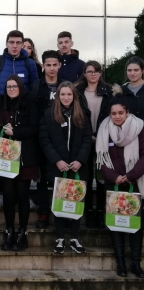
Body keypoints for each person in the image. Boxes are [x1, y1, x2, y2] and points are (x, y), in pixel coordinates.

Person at [39, 81, 91, 254]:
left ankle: (75, 238)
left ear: (74, 96)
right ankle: (60, 238)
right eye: (63, 94)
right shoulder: (48, 114)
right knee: (59, 202)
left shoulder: (83, 114)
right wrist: (57, 161)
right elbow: (44, 140)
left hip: (77, 167)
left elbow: (86, 140)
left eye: (69, 94)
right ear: (57, 96)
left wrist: (80, 160)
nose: (66, 97)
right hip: (57, 167)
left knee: (76, 202)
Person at [96, 96, 144, 278]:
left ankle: (135, 263)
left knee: (135, 224)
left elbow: (143, 155)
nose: (117, 116)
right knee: (116, 224)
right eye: (113, 113)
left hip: (135, 181)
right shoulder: (104, 128)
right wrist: (114, 177)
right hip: (113, 182)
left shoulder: (140, 127)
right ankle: (121, 263)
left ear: (127, 113)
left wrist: (131, 176)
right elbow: (101, 156)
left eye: (120, 113)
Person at [0, 75, 39, 251]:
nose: (11, 89)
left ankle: (22, 233)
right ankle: (10, 231)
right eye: (8, 86)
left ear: (20, 87)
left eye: (14, 86)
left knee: (22, 196)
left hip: (24, 158)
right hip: (5, 157)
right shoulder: (0, 105)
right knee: (9, 197)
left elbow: (34, 128)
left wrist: (15, 132)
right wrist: (1, 131)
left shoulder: (30, 104)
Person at [75, 61, 113, 229]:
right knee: (87, 178)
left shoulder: (109, 92)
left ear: (100, 73)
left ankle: (101, 212)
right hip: (84, 140)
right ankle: (89, 211)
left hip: (103, 141)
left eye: (96, 71)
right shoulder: (78, 92)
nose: (93, 74)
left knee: (103, 178)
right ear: (84, 73)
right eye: (89, 71)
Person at [34, 50, 63, 229]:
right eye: (48, 65)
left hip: (62, 139)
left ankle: (63, 213)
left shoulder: (66, 87)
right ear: (43, 66)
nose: (51, 68)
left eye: (54, 65)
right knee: (42, 179)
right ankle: (43, 212)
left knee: (61, 177)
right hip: (42, 139)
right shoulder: (37, 86)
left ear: (59, 65)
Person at [0, 30, 39, 102]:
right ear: (6, 44)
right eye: (11, 42)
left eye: (18, 43)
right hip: (2, 107)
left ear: (22, 45)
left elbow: (35, 86)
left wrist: (27, 100)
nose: (14, 46)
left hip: (24, 108)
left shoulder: (30, 63)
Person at [122, 56, 144, 121]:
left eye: (136, 70)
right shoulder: (121, 92)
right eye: (129, 70)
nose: (132, 73)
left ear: (142, 70)